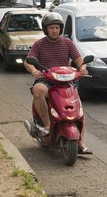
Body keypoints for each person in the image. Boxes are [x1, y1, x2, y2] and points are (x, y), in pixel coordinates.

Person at [24, 12, 92, 154]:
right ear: (46, 29)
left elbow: (79, 60)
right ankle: (47, 125)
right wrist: (34, 70)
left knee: (78, 107)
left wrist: (83, 68)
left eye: (57, 27)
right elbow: (28, 60)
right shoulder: (39, 44)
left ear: (60, 28)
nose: (54, 30)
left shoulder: (67, 43)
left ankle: (81, 142)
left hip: (66, 80)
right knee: (38, 90)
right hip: (47, 79)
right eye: (51, 28)